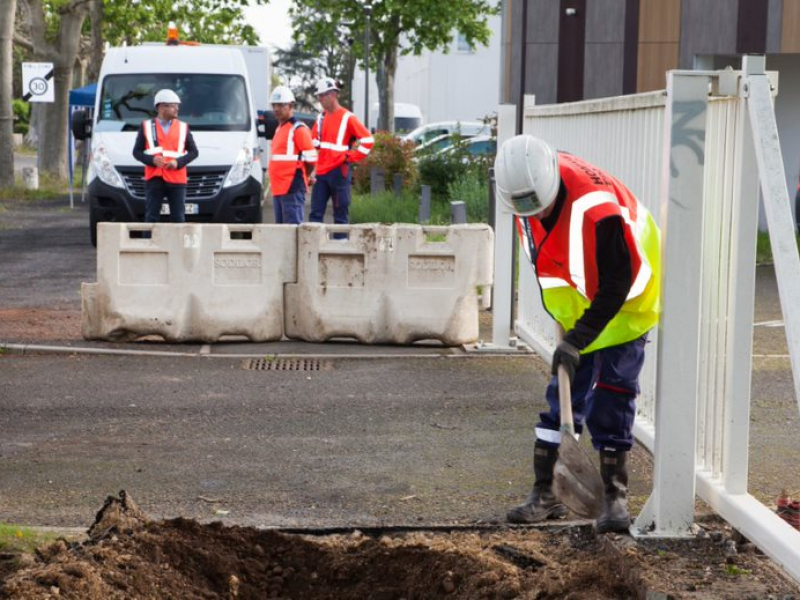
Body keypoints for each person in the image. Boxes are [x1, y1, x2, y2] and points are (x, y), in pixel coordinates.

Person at [494, 135, 661, 534]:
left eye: (540, 204)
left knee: (612, 396)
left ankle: (615, 498)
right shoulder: (525, 188)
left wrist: (577, 339)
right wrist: (570, 338)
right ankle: (546, 491)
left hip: (625, 302)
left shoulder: (597, 211)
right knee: (561, 395)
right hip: (578, 298)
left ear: (552, 182)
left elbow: (618, 280)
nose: (534, 212)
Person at [309, 78, 373, 226]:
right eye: (318, 96)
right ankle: (313, 247)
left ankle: (341, 246)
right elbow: (313, 143)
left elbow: (368, 140)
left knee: (340, 214)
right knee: (315, 214)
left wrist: (350, 157)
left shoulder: (347, 117)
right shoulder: (321, 117)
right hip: (322, 172)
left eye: (322, 96)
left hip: (339, 171)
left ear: (332, 95)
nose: (319, 99)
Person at [132, 89, 199, 223]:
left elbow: (194, 152)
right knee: (151, 217)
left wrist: (177, 162)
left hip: (177, 178)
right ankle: (149, 244)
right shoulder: (146, 126)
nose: (177, 109)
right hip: (154, 179)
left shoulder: (183, 127)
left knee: (178, 218)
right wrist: (152, 160)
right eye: (174, 105)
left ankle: (177, 244)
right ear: (162, 107)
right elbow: (136, 152)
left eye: (177, 105)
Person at [268, 86, 317, 224]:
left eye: (281, 105)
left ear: (291, 106)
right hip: (279, 189)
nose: (276, 109)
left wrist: (305, 176)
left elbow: (311, 160)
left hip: (292, 189)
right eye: (274, 105)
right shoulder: (279, 129)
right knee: (282, 233)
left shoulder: (299, 129)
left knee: (292, 232)